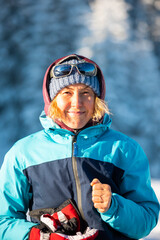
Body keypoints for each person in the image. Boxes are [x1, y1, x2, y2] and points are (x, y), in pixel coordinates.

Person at [0, 54, 159, 240]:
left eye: (86, 93)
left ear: (96, 99)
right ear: (52, 99)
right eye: (66, 92)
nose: (77, 103)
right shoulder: (24, 153)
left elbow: (146, 220)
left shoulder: (123, 149)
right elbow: (4, 221)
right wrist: (38, 236)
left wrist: (114, 207)